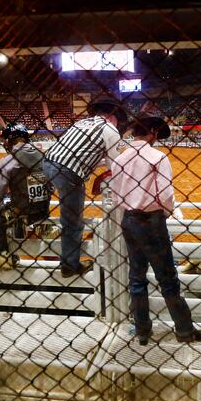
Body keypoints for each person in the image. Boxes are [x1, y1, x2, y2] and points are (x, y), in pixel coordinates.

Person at [111, 113, 201, 345]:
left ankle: (142, 330)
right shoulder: (157, 157)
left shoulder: (120, 159)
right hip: (151, 220)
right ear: (153, 132)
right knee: (167, 277)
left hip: (129, 219)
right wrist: (164, 212)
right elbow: (165, 194)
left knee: (136, 277)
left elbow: (116, 194)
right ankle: (184, 330)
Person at [43, 96, 127, 278]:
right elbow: (116, 165)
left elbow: (84, 155)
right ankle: (70, 265)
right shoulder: (111, 130)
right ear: (114, 117)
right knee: (72, 222)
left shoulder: (82, 123)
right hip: (68, 173)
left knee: (49, 208)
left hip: (48, 164)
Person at [0, 123, 50, 272]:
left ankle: (0, 255)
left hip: (20, 211)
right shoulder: (43, 156)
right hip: (41, 211)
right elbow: (51, 185)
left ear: (10, 139)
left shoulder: (9, 160)